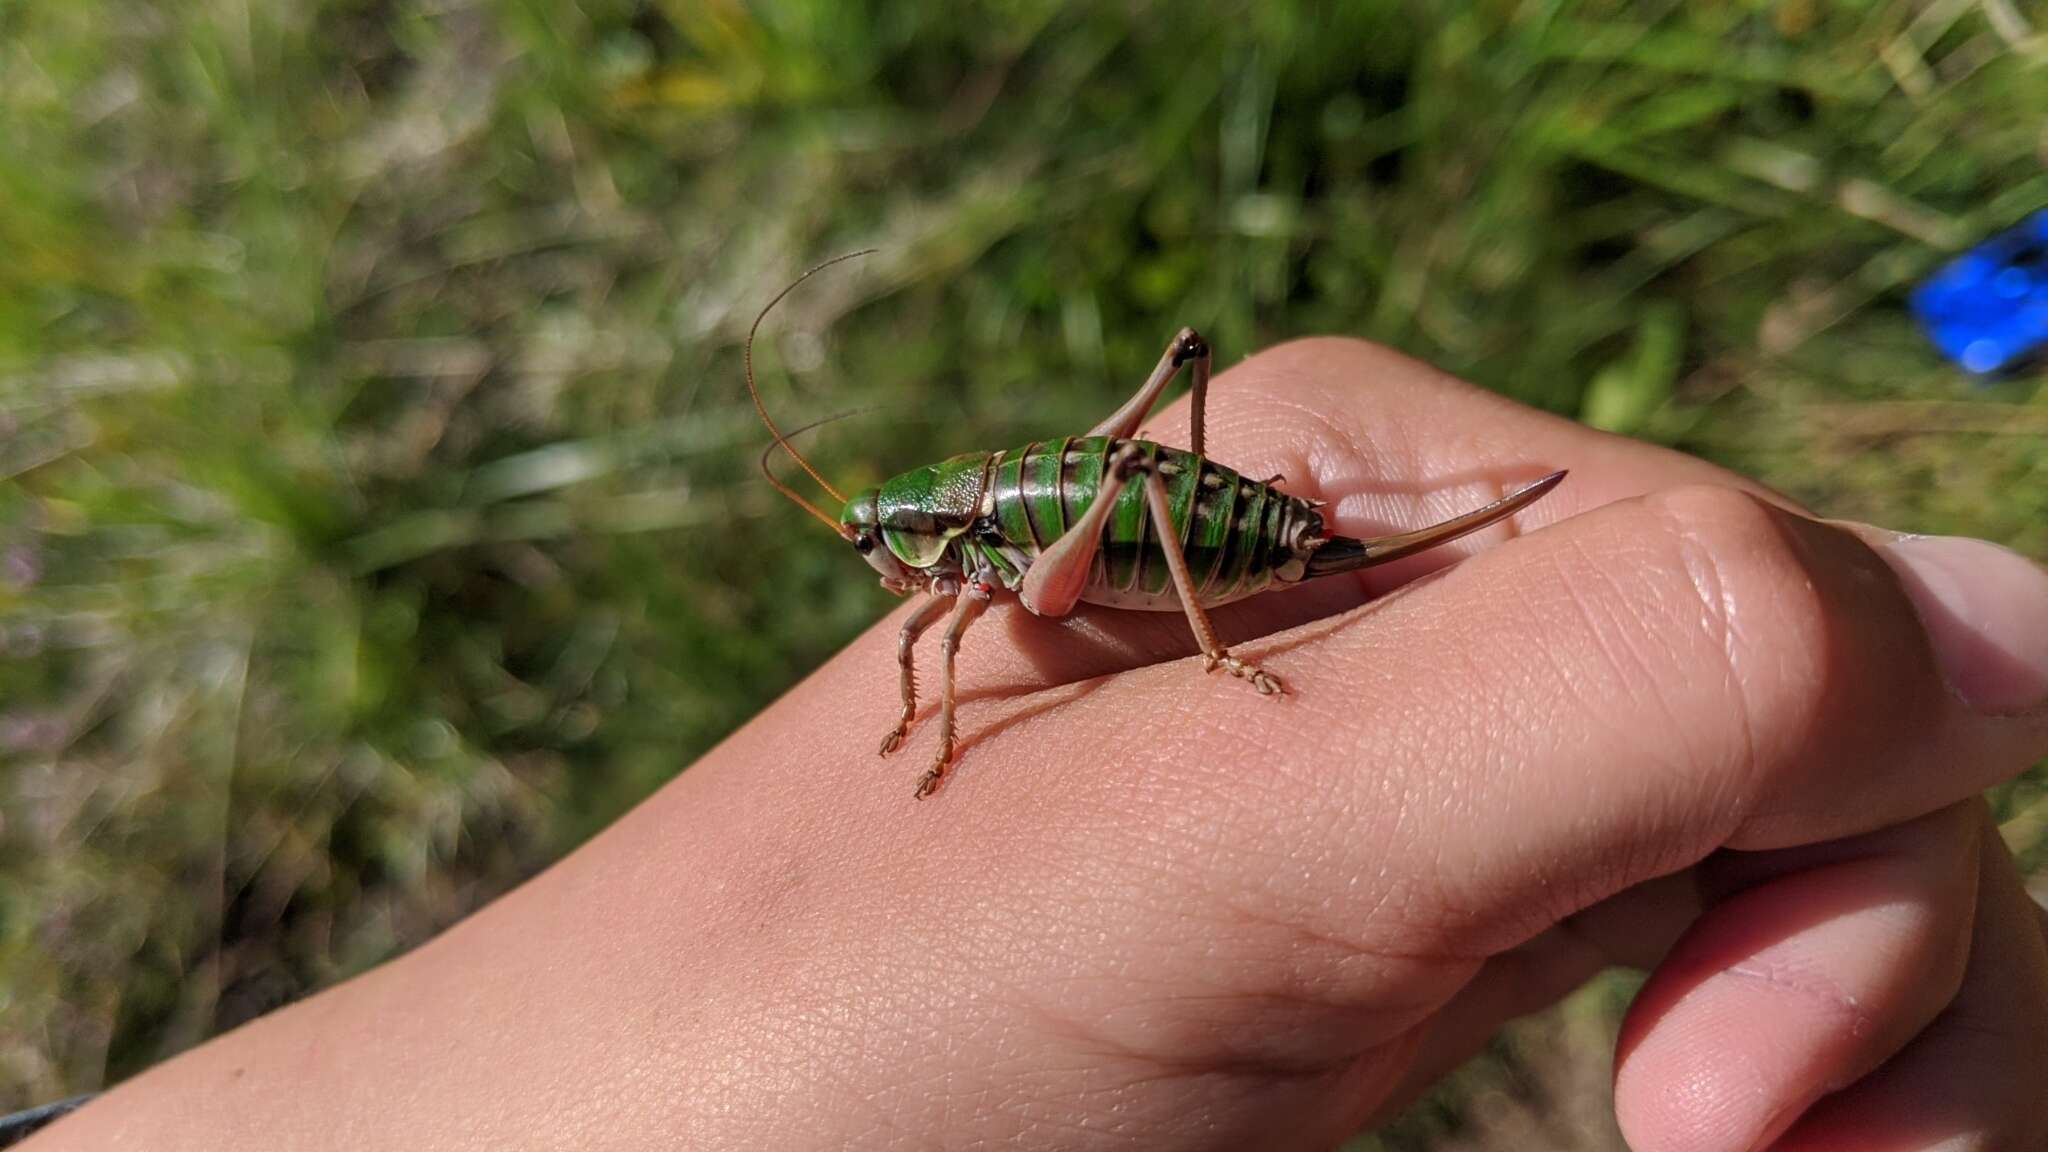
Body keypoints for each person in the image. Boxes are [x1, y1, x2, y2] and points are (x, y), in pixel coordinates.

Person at [27, 338, 2048, 1151]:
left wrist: (1207, 654)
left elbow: (984, 613)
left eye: (870, 551)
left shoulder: (964, 571)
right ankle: (1399, 550)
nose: (879, 582)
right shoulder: (934, 550)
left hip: (1174, 543)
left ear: (901, 538)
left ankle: (1321, 589)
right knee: (1047, 553)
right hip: (1125, 517)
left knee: (1061, 551)